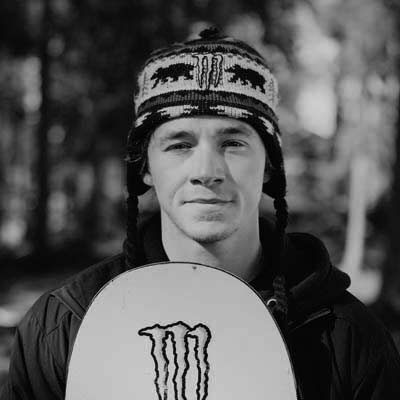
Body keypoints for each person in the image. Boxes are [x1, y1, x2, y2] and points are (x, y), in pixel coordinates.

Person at [1, 27, 400, 400]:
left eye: (233, 143)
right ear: (145, 167)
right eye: (179, 144)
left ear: (269, 166)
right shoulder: (64, 326)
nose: (207, 171)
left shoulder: (349, 339)